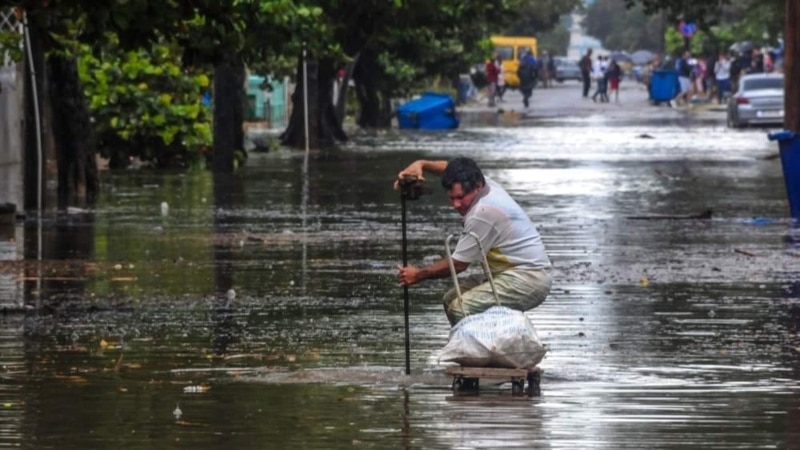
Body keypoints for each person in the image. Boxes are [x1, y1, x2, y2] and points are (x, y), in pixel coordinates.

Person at [394, 157, 552, 326]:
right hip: (508, 274)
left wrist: (418, 274)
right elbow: (448, 168)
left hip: (529, 279)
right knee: (451, 299)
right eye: (451, 198)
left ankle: (483, 349)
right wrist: (421, 165)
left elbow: (459, 265)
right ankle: (474, 346)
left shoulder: (482, 212)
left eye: (460, 197)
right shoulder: (483, 183)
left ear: (477, 187)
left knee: (460, 308)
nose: (456, 204)